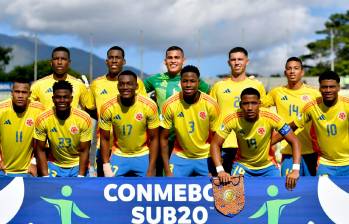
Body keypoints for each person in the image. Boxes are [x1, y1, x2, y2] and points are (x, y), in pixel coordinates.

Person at [210, 88, 301, 190]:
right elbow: (215, 144)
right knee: (235, 198)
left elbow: (294, 141)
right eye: (246, 103)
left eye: (254, 103)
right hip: (243, 166)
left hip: (268, 167)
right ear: (240, 105)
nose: (250, 107)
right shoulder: (232, 118)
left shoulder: (271, 117)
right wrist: (220, 170)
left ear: (260, 104)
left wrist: (296, 170)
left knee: (279, 193)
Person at [144, 46, 210, 175]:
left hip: (185, 136)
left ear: (183, 60)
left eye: (177, 57)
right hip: (162, 134)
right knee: (161, 173)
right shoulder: (154, 79)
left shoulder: (193, 80)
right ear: (165, 61)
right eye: (170, 57)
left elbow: (209, 100)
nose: (173, 61)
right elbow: (136, 92)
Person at [90, 46, 147, 176]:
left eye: (118, 58)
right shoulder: (96, 84)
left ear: (124, 61)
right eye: (111, 58)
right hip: (104, 146)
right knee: (105, 189)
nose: (114, 61)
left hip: (130, 149)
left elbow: (144, 110)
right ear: (106, 61)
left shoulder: (136, 82)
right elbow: (91, 109)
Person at [210, 47, 266, 173]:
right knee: (225, 188)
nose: (237, 62)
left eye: (240, 59)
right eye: (233, 59)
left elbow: (263, 115)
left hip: (249, 144)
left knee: (248, 188)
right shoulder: (219, 87)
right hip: (224, 144)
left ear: (247, 61)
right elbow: (212, 117)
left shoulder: (257, 85)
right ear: (228, 62)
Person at [264, 57, 320, 176]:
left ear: (302, 72)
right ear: (285, 73)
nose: (292, 71)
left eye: (296, 68)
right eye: (289, 69)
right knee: (289, 190)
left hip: (311, 151)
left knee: (312, 191)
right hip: (288, 152)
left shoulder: (314, 93)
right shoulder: (276, 92)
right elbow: (257, 106)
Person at [160, 65, 220, 177]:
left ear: (198, 82)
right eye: (185, 81)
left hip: (206, 156)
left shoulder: (211, 104)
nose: (188, 85)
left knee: (212, 191)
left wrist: (217, 166)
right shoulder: (170, 104)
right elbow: (164, 139)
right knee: (172, 189)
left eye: (192, 81)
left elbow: (216, 140)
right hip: (180, 156)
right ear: (180, 82)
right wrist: (167, 170)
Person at [288, 71, 349, 176]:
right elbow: (291, 127)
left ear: (338, 87)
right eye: (324, 87)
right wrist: (269, 142)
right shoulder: (312, 107)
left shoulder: (347, 105)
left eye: (332, 87)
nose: (328, 90)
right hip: (325, 163)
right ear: (319, 88)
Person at [99, 70, 159, 177]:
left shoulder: (149, 105)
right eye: (122, 84)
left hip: (143, 154)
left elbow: (154, 138)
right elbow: (104, 138)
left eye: (129, 84)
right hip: (119, 155)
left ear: (136, 86)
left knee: (148, 190)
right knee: (110, 189)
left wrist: (152, 166)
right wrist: (106, 166)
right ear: (117, 86)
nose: (125, 87)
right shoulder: (107, 107)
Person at [34, 80, 92, 177]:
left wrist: (81, 175)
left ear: (71, 99)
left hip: (78, 164)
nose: (62, 100)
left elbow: (84, 150)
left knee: (81, 191)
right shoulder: (42, 119)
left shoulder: (83, 118)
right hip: (54, 165)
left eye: (65, 97)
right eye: (58, 97)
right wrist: (45, 176)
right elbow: (40, 149)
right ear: (53, 98)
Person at [30, 46, 96, 118]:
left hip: (71, 128)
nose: (59, 62)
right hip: (46, 128)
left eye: (63, 59)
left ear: (69, 62)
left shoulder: (79, 85)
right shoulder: (38, 85)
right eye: (56, 59)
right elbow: (28, 109)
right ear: (51, 62)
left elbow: (89, 110)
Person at [0, 78, 44, 177]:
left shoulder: (39, 110)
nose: (20, 95)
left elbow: (44, 141)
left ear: (30, 94)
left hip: (28, 171)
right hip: (3, 171)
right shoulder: (1, 109)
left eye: (24, 92)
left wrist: (34, 162)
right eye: (17, 92)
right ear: (11, 93)